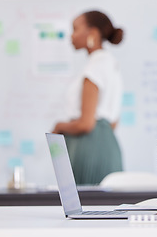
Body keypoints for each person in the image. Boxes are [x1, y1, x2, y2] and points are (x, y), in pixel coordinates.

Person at [52, 10, 124, 185]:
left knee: (87, 206)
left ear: (92, 33)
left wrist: (59, 126)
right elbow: (113, 122)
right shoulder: (110, 64)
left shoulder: (95, 67)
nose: (71, 36)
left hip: (89, 147)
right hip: (106, 145)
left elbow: (86, 123)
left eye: (75, 29)